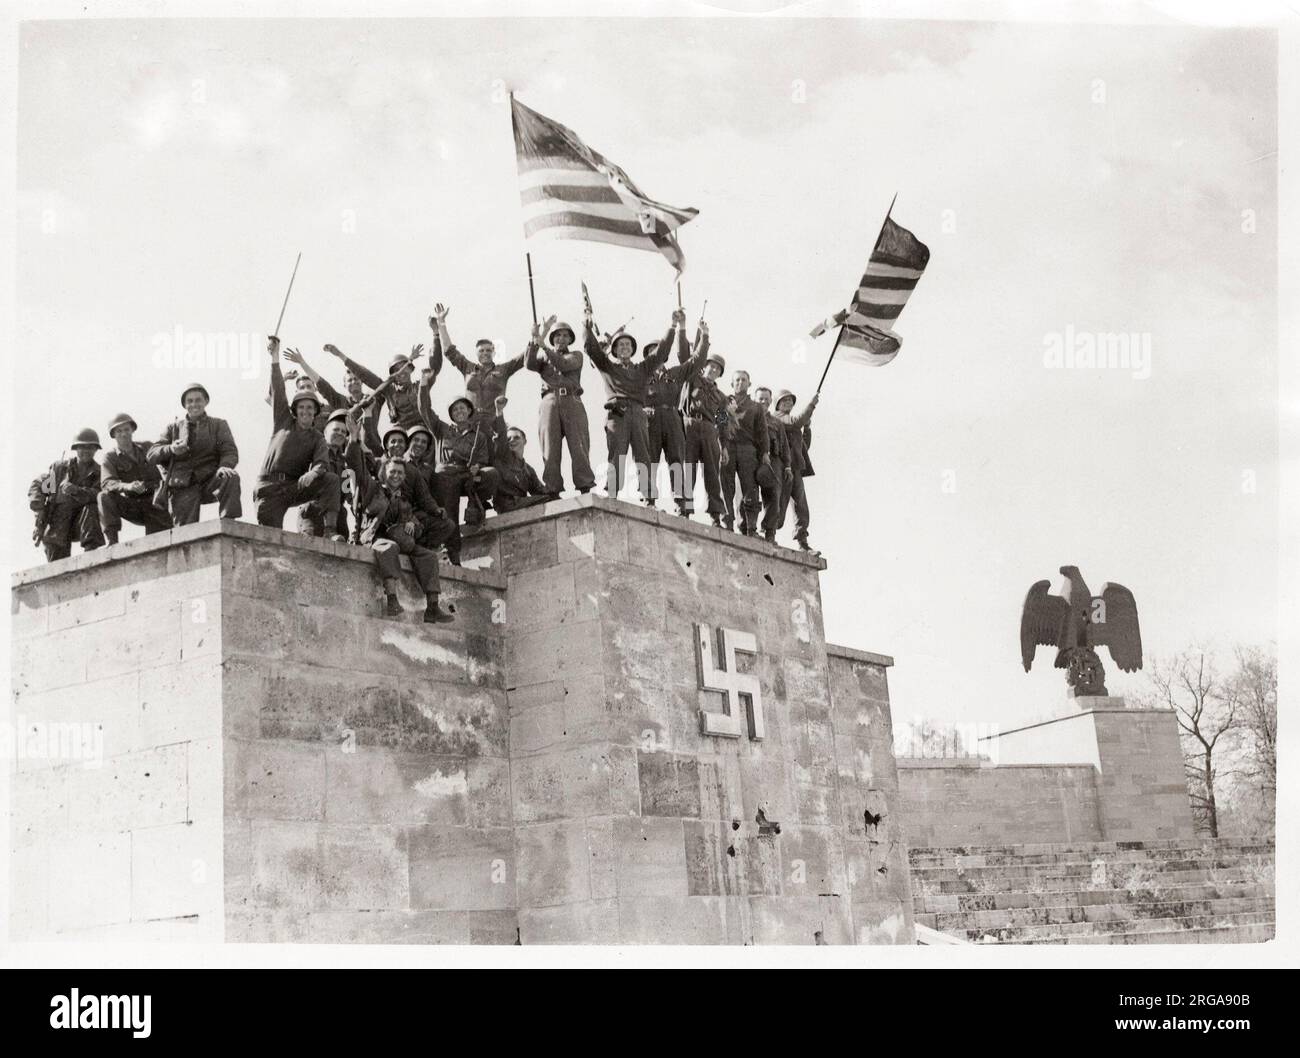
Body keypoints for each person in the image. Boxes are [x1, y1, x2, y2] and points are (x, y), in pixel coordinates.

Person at [344, 410, 454, 624]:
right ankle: (392, 599)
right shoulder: (371, 487)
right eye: (392, 472)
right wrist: (354, 438)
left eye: (400, 474)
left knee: (428, 556)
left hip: (399, 538)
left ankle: (432, 607)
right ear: (384, 472)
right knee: (389, 548)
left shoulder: (403, 499)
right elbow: (355, 463)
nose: (396, 476)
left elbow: (415, 516)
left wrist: (413, 525)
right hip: (374, 537)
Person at [583, 302, 683, 504]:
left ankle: (648, 497)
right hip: (617, 414)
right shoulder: (608, 367)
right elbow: (591, 349)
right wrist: (586, 326)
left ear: (633, 349)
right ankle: (612, 495)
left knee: (643, 456)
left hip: (638, 413)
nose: (625, 347)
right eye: (620, 345)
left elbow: (661, 353)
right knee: (616, 455)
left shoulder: (643, 369)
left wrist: (672, 326)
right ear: (615, 350)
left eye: (628, 345)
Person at [253, 336, 340, 535]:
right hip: (269, 488)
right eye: (301, 407)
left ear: (316, 412)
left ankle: (330, 531)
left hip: (293, 486)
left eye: (310, 408)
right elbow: (278, 388)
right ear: (295, 410)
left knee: (331, 480)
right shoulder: (283, 421)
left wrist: (313, 473)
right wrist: (275, 356)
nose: (306, 411)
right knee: (270, 540)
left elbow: (322, 463)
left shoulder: (317, 437)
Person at [417, 388, 499, 565]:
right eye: (455, 410)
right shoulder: (441, 429)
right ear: (451, 414)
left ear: (469, 411)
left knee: (491, 474)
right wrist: (424, 385)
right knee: (450, 513)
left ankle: (475, 504)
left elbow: (483, 459)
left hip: (466, 475)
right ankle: (453, 552)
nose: (459, 412)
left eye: (462, 408)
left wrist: (478, 467)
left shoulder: (478, 435)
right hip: (445, 477)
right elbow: (424, 408)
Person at [147, 381, 242, 526]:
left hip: (210, 480)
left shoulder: (218, 424)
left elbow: (230, 451)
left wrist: (225, 466)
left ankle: (228, 524)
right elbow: (151, 454)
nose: (194, 404)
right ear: (184, 405)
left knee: (230, 476)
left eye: (198, 400)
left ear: (206, 401)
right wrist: (171, 449)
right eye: (189, 401)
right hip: (183, 486)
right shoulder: (173, 428)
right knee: (184, 534)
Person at [644, 317, 709, 516]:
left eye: (659, 351)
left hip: (674, 418)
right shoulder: (641, 374)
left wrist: (704, 336)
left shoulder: (675, 373)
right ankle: (649, 500)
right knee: (649, 459)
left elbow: (695, 361)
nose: (656, 355)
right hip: (651, 419)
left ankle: (682, 505)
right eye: (651, 352)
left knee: (677, 461)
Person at [525, 316, 595, 495]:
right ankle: (552, 488)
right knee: (550, 447)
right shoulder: (543, 356)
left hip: (572, 401)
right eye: (557, 335)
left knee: (578, 444)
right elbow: (529, 364)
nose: (561, 339)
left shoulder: (576, 355)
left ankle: (584, 485)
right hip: (549, 401)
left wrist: (544, 345)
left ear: (570, 339)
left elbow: (564, 365)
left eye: (565, 336)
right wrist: (535, 338)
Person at [430, 302, 526, 423]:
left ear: (494, 353)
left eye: (488, 350)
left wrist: (538, 336)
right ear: (476, 353)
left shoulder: (504, 369)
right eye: (481, 350)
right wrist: (441, 323)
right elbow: (449, 350)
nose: (485, 353)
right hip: (470, 423)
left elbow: (525, 356)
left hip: (493, 423)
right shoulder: (467, 367)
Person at [29, 429, 105, 562]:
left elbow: (99, 494)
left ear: (96, 450)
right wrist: (39, 513)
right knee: (57, 569)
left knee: (91, 508)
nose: (86, 451)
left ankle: (90, 556)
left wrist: (77, 491)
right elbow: (39, 486)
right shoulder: (60, 470)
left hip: (82, 525)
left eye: (90, 447)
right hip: (58, 528)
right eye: (82, 447)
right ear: (75, 448)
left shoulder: (99, 473)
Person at [98, 413, 171, 544]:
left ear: (132, 430)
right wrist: (127, 486)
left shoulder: (148, 447)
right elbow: (107, 483)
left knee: (157, 544)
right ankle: (112, 541)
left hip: (156, 502)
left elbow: (166, 459)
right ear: (113, 435)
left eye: (126, 429)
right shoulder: (110, 457)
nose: (124, 434)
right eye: (119, 431)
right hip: (133, 505)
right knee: (104, 497)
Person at [680, 349, 731, 526]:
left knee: (712, 474)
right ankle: (684, 510)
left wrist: (724, 446)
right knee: (688, 470)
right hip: (690, 425)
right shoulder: (692, 379)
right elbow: (686, 356)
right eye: (711, 366)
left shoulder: (722, 398)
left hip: (710, 430)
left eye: (718, 369)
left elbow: (723, 422)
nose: (714, 371)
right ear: (704, 367)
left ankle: (715, 515)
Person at [324, 341, 426, 430]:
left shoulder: (420, 386)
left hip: (424, 430)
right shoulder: (388, 389)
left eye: (404, 368)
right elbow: (365, 375)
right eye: (396, 370)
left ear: (410, 369)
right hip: (402, 434)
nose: (401, 372)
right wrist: (340, 355)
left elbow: (435, 365)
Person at [720, 369, 768, 536]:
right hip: (728, 447)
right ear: (732, 384)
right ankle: (726, 524)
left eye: (744, 380)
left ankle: (751, 528)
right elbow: (720, 425)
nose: (740, 383)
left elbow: (762, 432)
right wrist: (722, 446)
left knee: (750, 489)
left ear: (749, 383)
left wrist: (764, 453)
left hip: (748, 449)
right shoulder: (723, 402)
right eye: (737, 380)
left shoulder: (756, 407)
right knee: (726, 486)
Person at [773, 389, 820, 553]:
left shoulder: (792, 423)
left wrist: (807, 429)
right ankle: (769, 535)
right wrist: (811, 405)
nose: (788, 403)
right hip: (782, 468)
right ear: (777, 404)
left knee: (801, 506)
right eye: (784, 401)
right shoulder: (778, 418)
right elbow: (795, 422)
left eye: (790, 401)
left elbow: (803, 448)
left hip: (795, 469)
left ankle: (802, 541)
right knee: (779, 505)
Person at [491, 396, 555, 514]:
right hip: (505, 505)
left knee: (551, 498)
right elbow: (501, 436)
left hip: (521, 503)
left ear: (525, 441)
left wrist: (555, 492)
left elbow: (539, 490)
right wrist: (499, 412)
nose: (512, 440)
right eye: (509, 439)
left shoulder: (528, 469)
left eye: (516, 437)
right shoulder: (503, 458)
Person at [752, 386, 789, 544]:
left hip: (773, 461)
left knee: (774, 496)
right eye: (760, 398)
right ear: (755, 399)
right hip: (753, 457)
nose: (764, 402)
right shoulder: (749, 416)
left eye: (767, 399)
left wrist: (787, 465)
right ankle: (748, 529)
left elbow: (785, 446)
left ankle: (769, 532)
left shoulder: (776, 422)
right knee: (750, 494)